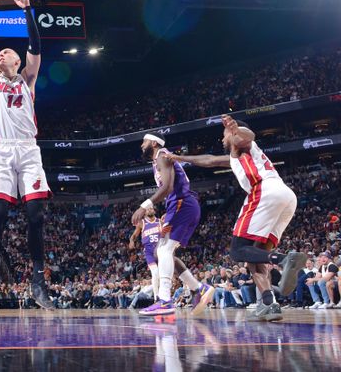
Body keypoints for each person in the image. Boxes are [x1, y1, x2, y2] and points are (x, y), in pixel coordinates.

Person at [165, 115, 307, 321]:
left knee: (237, 250)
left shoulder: (242, 143)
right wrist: (180, 158)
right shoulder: (236, 156)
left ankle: (284, 260)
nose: (222, 139)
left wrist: (235, 129)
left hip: (264, 191)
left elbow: (249, 135)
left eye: (224, 135)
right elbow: (209, 160)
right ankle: (269, 303)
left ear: (231, 133)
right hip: (285, 197)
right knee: (253, 258)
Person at [0, 0, 54, 309]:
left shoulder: (28, 79)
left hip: (28, 149)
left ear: (18, 61)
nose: (1, 54)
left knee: (36, 215)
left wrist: (27, 10)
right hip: (2, 149)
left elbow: (36, 44)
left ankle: (38, 277)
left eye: (7, 52)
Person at [132, 134, 213, 316]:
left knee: (163, 251)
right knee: (159, 252)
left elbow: (168, 187)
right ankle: (197, 288)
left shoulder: (162, 155)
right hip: (177, 205)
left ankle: (165, 300)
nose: (141, 145)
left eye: (144, 142)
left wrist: (144, 206)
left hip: (181, 203)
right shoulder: (158, 159)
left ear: (153, 143)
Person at [129, 206, 162, 301]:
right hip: (149, 252)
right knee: (155, 273)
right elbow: (134, 236)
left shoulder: (160, 221)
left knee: (162, 274)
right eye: (147, 209)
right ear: (145, 213)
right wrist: (131, 241)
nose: (150, 210)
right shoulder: (142, 223)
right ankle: (157, 298)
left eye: (151, 209)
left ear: (154, 211)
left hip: (160, 250)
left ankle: (163, 296)